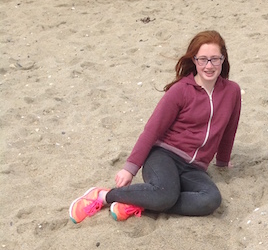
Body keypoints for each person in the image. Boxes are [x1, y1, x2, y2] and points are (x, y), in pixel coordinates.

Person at [69, 30, 241, 223]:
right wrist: (130, 169)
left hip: (194, 168)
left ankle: (141, 202)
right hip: (164, 156)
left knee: (210, 200)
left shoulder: (232, 91)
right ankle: (103, 196)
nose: (209, 66)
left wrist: (223, 161)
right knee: (164, 194)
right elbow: (152, 130)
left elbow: (229, 129)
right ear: (194, 60)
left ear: (223, 59)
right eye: (202, 59)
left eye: (215, 59)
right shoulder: (180, 91)